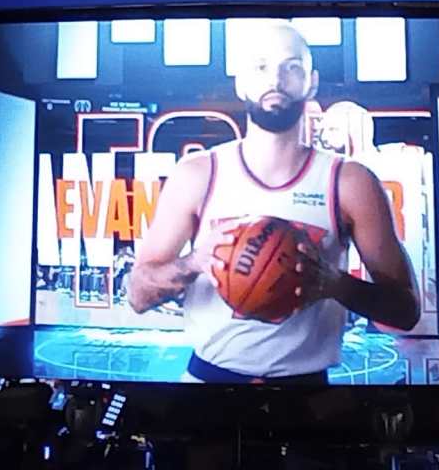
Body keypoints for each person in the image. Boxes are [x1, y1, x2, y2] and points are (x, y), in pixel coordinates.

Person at [128, 21, 420, 383]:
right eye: (261, 66)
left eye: (291, 67)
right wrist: (195, 262)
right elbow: (137, 295)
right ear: (241, 82)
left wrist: (334, 283)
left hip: (308, 397)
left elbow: (406, 312)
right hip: (206, 387)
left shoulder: (349, 182)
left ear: (311, 82)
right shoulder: (197, 174)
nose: (276, 79)